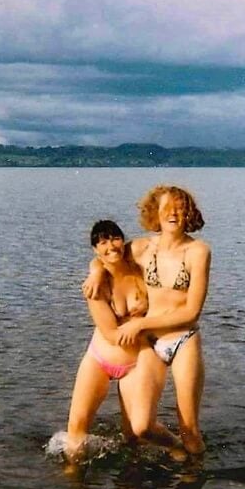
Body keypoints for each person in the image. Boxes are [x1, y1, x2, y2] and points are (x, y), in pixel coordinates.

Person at [84, 186, 211, 454]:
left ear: (188, 212)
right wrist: (95, 272)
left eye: (179, 208)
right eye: (166, 208)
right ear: (155, 212)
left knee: (189, 427)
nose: (172, 213)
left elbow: (192, 312)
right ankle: (177, 449)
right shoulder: (143, 247)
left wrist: (140, 324)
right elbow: (108, 256)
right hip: (149, 344)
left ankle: (193, 481)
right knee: (139, 428)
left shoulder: (198, 252)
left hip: (182, 340)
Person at [65, 220, 183, 464]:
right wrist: (96, 270)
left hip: (136, 363)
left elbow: (159, 246)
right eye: (103, 242)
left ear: (123, 240)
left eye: (115, 238)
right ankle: (74, 483)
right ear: (95, 250)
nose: (111, 246)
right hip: (100, 358)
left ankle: (179, 447)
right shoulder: (97, 285)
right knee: (76, 428)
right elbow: (110, 334)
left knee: (136, 434)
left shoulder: (141, 269)